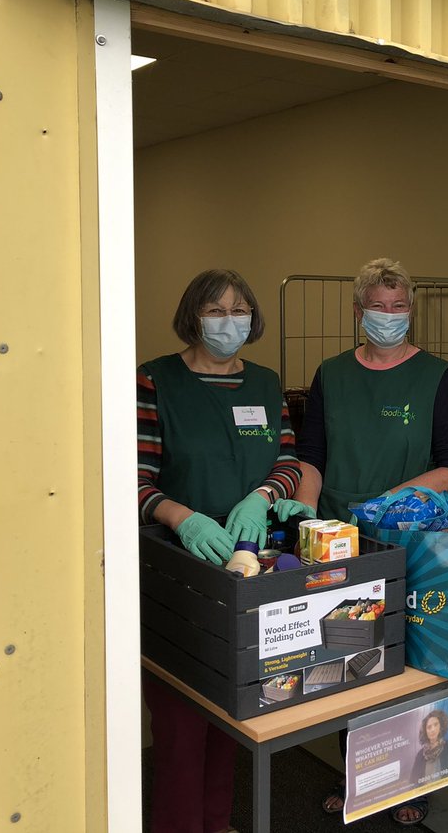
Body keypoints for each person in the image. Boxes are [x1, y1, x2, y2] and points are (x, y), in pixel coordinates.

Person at [290, 257, 448, 824]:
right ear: (358, 311)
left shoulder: (436, 376)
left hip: (408, 539)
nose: (389, 316)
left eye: (399, 307)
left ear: (411, 311)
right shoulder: (331, 374)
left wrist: (390, 502)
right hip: (339, 540)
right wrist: (312, 521)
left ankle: (410, 785)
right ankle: (357, 781)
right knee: (344, 659)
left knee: (405, 662)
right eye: (378, 306)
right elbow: (312, 456)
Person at [137, 268, 306, 833]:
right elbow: (131, 477)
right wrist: (179, 517)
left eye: (238, 310)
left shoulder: (264, 383)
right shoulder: (155, 381)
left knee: (235, 706)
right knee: (182, 721)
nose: (228, 322)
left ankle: (217, 820)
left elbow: (288, 461)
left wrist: (264, 496)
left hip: (250, 567)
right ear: (192, 317)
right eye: (214, 311)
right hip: (177, 571)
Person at [410, 709, 448, 786]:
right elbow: (413, 781)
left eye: (436, 724)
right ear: (425, 731)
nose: (433, 729)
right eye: (429, 727)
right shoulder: (420, 755)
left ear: (440, 726)